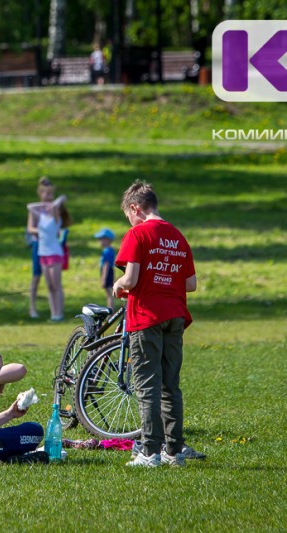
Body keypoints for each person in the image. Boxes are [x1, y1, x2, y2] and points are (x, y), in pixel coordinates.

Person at [112, 180, 197, 468]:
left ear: (135, 208)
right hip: (175, 315)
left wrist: (118, 284)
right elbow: (191, 283)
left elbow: (132, 279)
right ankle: (174, 451)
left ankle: (149, 452)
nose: (130, 220)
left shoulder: (137, 234)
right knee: (170, 386)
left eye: (128, 215)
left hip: (146, 317)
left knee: (147, 385)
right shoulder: (177, 236)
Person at [27, 177, 72, 321]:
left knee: (56, 285)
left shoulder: (55, 216)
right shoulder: (40, 215)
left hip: (54, 253)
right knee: (49, 286)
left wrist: (54, 202)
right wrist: (44, 205)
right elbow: (29, 206)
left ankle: (59, 313)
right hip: (42, 253)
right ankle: (54, 314)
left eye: (50, 194)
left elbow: (58, 202)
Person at [94, 228, 116, 309]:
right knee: (109, 293)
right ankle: (110, 308)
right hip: (110, 272)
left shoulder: (107, 251)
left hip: (107, 273)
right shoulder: (111, 250)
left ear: (107, 240)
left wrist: (103, 279)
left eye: (101, 239)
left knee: (109, 294)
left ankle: (110, 310)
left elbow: (106, 265)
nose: (99, 241)